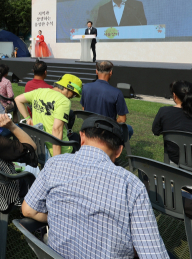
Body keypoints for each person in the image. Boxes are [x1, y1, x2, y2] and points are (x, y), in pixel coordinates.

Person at [23, 116, 168, 258]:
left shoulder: (54, 164)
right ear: (119, 151)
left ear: (82, 137)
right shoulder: (132, 185)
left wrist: (59, 217)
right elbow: (153, 253)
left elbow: (28, 210)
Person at [15, 74, 82, 156]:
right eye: (74, 94)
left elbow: (18, 99)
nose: (73, 97)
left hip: (39, 147)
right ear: (66, 88)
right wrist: (56, 159)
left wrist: (28, 119)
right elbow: (57, 129)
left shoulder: (39, 91)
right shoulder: (64, 101)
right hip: (60, 151)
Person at [80, 61, 133, 139]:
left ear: (96, 71)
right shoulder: (117, 93)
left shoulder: (86, 87)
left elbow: (84, 109)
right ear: (110, 72)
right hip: (107, 131)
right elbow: (122, 119)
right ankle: (114, 148)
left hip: (89, 128)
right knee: (129, 129)